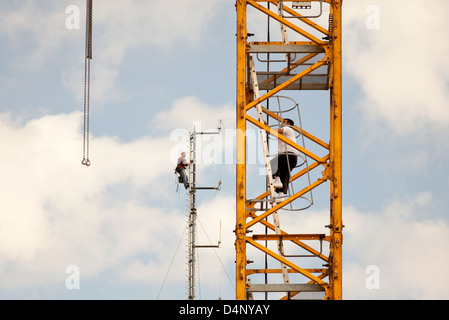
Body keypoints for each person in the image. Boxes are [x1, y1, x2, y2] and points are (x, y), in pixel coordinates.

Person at [271, 118, 297, 203]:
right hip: (292, 157)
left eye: (284, 122)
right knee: (285, 174)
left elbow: (277, 131)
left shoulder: (288, 129)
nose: (282, 123)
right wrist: (266, 127)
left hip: (289, 154)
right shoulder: (282, 137)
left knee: (272, 161)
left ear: (288, 123)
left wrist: (266, 128)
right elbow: (273, 133)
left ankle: (277, 180)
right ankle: (281, 196)